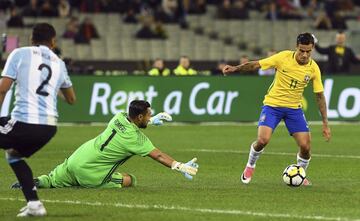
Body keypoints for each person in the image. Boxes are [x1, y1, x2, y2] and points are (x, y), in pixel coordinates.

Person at [12, 100, 198, 190]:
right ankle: (86, 183)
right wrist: (179, 166)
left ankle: (34, 182)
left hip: (78, 157)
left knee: (52, 180)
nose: (150, 117)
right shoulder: (136, 140)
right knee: (130, 179)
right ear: (140, 117)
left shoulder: (118, 116)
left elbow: (133, 121)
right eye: (149, 115)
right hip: (92, 173)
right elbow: (157, 155)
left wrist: (153, 120)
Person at [223, 33, 331, 186]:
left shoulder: (314, 68)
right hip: (273, 105)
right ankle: (250, 165)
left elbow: (320, 96)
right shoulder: (283, 57)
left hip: (294, 109)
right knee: (262, 140)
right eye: (301, 50)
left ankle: (300, 173)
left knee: (306, 147)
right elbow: (256, 65)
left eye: (308, 51)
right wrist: (235, 68)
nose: (304, 55)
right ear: (296, 47)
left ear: (312, 49)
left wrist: (325, 123)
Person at [0, 23, 76, 217]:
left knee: (12, 148)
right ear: (53, 41)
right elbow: (71, 99)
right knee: (14, 155)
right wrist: (53, 86)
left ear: (32, 39)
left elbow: (3, 88)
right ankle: (34, 204)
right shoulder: (59, 63)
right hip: (49, 128)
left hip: (25, 124)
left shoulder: (19, 53)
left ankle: (34, 204)